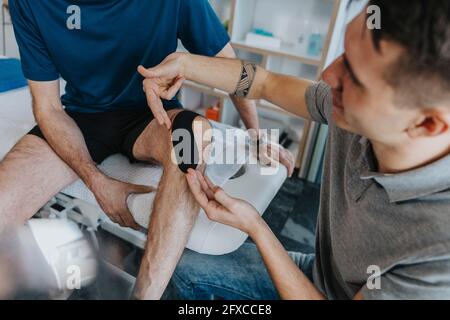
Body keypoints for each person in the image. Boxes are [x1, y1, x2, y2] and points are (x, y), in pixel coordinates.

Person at [139, 0, 450, 299]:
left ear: (428, 125)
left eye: (354, 77)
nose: (329, 76)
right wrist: (184, 64)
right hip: (321, 274)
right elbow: (264, 83)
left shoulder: (440, 249)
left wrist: (257, 228)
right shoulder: (355, 109)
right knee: (182, 267)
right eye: (345, 54)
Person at [0, 0, 294, 300]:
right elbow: (48, 108)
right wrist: (97, 181)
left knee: (191, 135)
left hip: (155, 117)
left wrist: (255, 133)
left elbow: (233, 68)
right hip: (79, 119)